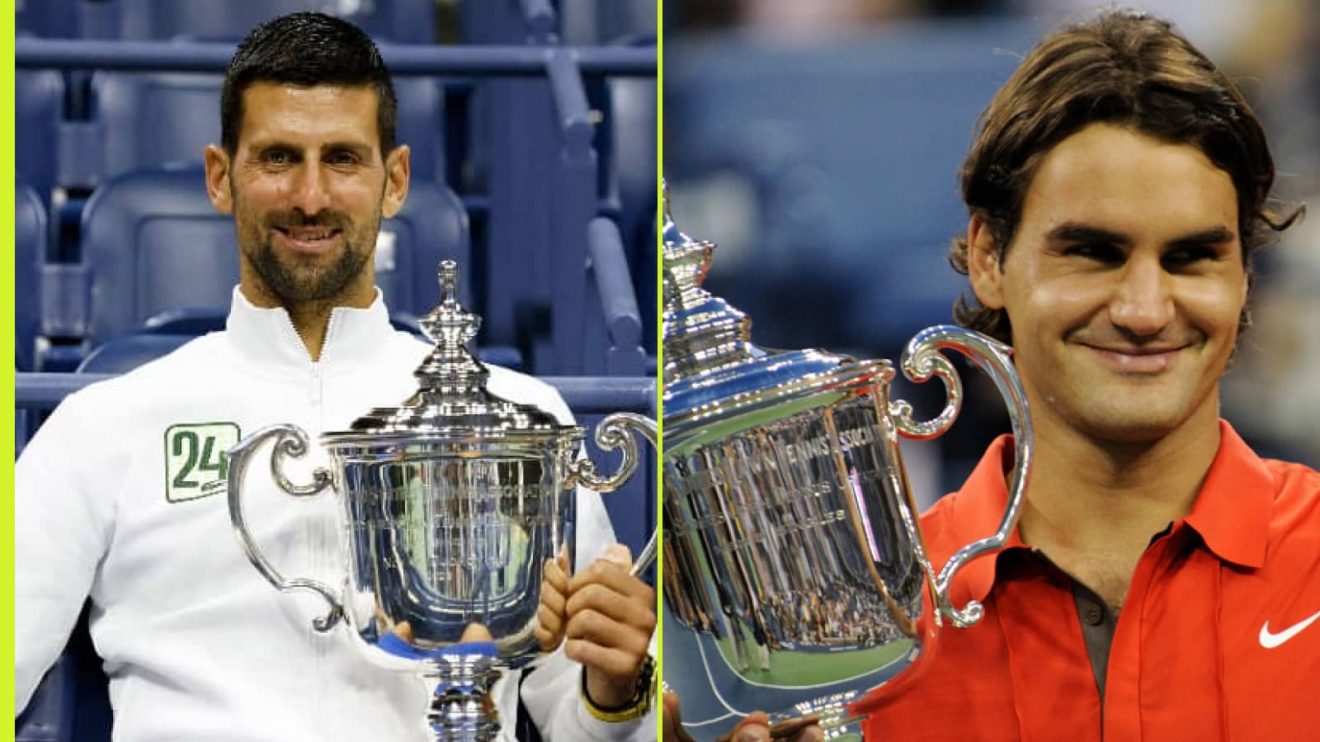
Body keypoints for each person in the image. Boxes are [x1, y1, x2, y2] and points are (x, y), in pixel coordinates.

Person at [667, 8, 1315, 741]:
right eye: (1092, 253)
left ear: (1244, 276)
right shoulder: (856, 633)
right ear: (987, 258)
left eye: (1192, 257)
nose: (1144, 309)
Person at [15, 12, 656, 741]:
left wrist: (615, 684)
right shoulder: (105, 427)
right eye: (279, 157)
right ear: (221, 178)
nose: (311, 197)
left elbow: (578, 720)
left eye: (344, 159)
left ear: (396, 180)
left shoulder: (521, 420)